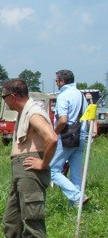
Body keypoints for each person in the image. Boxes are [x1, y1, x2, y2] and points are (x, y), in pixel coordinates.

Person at [0, 79, 59, 238]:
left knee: (31, 220)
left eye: (4, 97)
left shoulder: (33, 112)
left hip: (30, 171)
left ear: (13, 96)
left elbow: (51, 137)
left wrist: (43, 163)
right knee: (11, 220)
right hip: (20, 169)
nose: (4, 101)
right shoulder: (23, 113)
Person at [50, 70, 89, 206]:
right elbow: (87, 117)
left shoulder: (63, 95)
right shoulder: (81, 95)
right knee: (76, 174)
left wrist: (53, 133)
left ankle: (78, 196)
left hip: (67, 137)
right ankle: (76, 207)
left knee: (52, 170)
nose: (56, 83)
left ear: (62, 81)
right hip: (81, 136)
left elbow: (63, 120)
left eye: (56, 81)